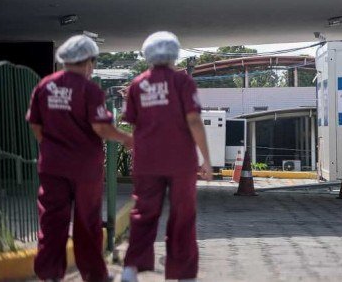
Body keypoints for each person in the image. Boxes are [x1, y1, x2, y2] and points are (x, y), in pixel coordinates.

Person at [27, 35, 133, 282]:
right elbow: (101, 127)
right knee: (87, 224)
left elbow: (35, 125)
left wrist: (54, 147)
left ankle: (49, 275)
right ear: (88, 61)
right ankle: (93, 275)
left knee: (52, 222)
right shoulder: (89, 90)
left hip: (53, 165)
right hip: (84, 169)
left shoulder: (45, 86)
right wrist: (126, 139)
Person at [121, 31, 212, 282]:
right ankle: (183, 275)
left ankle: (130, 270)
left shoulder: (138, 84)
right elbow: (193, 119)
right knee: (183, 215)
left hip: (147, 161)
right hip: (180, 161)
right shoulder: (183, 83)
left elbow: (133, 122)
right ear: (175, 53)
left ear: (147, 54)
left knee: (143, 213)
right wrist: (206, 159)